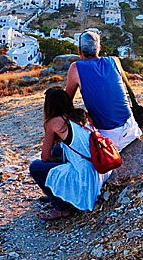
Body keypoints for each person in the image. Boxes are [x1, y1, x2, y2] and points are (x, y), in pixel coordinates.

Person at [29, 87, 105, 221]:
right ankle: (60, 193)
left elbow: (45, 157)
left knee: (36, 167)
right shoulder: (82, 114)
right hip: (99, 168)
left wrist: (60, 163)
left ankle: (60, 208)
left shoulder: (54, 122)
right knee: (58, 149)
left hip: (85, 175)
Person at [65, 29, 141, 151]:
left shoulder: (75, 68)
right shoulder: (114, 61)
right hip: (130, 130)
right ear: (99, 48)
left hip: (106, 139)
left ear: (79, 50)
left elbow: (66, 101)